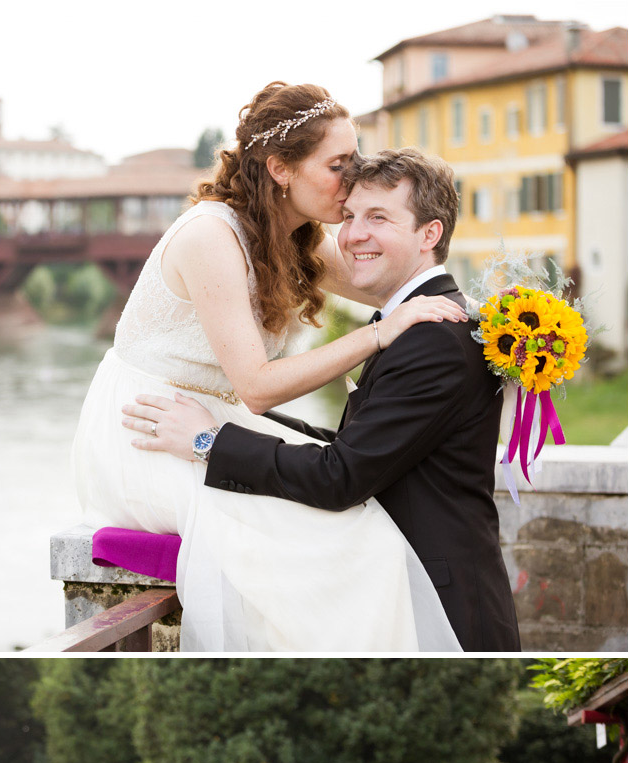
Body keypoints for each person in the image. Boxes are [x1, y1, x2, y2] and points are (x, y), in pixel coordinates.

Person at [72, 81, 467, 652]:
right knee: (339, 543)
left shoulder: (299, 238)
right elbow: (256, 388)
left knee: (369, 532)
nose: (352, 176)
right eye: (338, 164)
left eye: (354, 158)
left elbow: (400, 280)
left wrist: (506, 329)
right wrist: (379, 335)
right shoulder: (212, 235)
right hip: (147, 430)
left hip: (212, 423)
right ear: (281, 168)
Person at [124, 148, 522, 653]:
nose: (353, 235)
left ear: (430, 234)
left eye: (378, 217)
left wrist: (208, 440)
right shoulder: (422, 323)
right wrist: (244, 418)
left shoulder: (435, 340)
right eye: (351, 216)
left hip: (443, 607)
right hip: (407, 590)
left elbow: (341, 476)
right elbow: (360, 446)